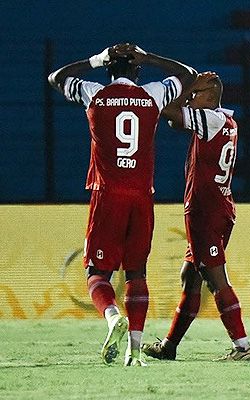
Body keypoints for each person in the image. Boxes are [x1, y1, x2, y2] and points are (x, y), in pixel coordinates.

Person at [48, 43, 196, 366]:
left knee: (96, 273)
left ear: (108, 69)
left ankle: (113, 316)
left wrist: (94, 60)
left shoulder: (94, 93)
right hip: (142, 196)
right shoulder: (153, 95)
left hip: (107, 193)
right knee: (136, 272)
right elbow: (188, 75)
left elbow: (56, 77)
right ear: (138, 70)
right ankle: (135, 350)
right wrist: (152, 57)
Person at [141, 72, 250, 362]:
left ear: (210, 96)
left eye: (196, 93)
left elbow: (167, 112)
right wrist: (192, 90)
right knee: (190, 276)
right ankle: (169, 347)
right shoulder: (226, 120)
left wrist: (181, 86)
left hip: (205, 210)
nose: (191, 97)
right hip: (220, 206)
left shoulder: (212, 120)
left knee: (216, 279)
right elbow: (174, 120)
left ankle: (243, 347)